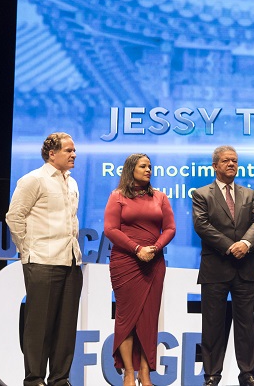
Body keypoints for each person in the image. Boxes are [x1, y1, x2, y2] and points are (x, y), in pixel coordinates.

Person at [6, 132, 83, 386]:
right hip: (42, 260)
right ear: (52, 153)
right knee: (40, 325)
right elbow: (14, 216)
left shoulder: (71, 183)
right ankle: (34, 379)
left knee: (66, 326)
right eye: (68, 150)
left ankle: (60, 379)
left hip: (71, 262)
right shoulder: (33, 180)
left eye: (74, 151)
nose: (74, 154)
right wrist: (26, 250)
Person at [192, 145, 254, 386]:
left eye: (234, 160)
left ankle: (248, 374)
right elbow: (202, 225)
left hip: (245, 266)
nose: (231, 164)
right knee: (213, 325)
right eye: (226, 161)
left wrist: (245, 243)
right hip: (216, 267)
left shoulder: (248, 193)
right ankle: (212, 375)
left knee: (246, 325)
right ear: (215, 165)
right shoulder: (202, 194)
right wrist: (230, 245)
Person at [104, 153, 176, 386]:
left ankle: (145, 373)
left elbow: (170, 228)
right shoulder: (117, 196)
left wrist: (154, 248)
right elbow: (111, 229)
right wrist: (137, 249)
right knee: (127, 319)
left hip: (154, 263)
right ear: (130, 169)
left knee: (149, 319)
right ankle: (128, 373)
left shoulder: (160, 197)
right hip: (126, 262)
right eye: (143, 166)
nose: (148, 170)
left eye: (150, 166)